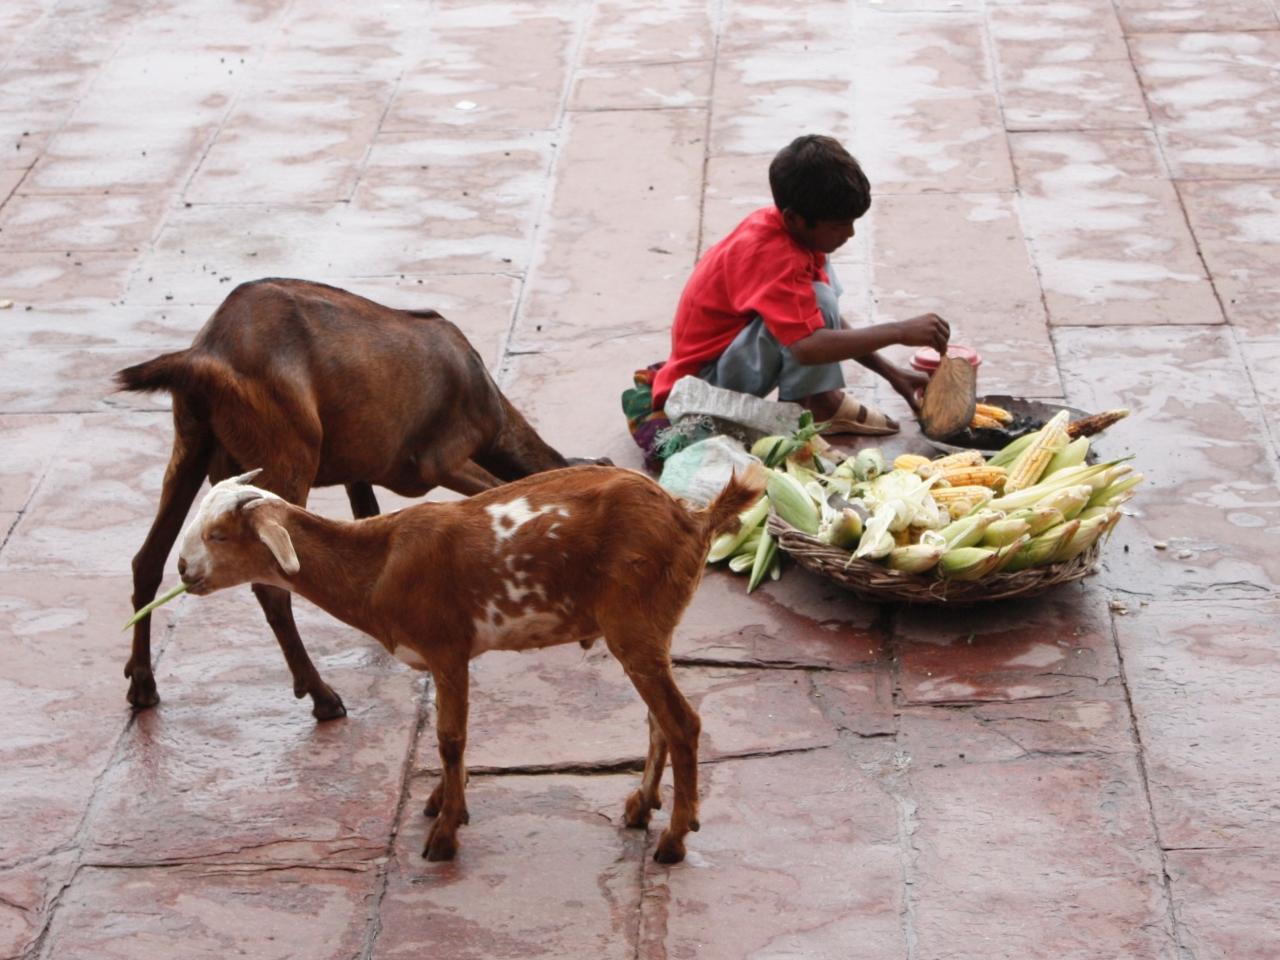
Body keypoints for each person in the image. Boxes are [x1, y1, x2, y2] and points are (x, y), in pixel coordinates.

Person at [650, 134, 950, 435]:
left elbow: (818, 321)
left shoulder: (789, 230)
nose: (850, 234)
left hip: (724, 361)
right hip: (702, 389)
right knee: (819, 302)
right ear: (795, 218)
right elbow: (808, 347)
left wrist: (892, 374)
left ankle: (822, 399)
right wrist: (898, 332)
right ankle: (810, 408)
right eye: (838, 226)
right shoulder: (777, 257)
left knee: (818, 294)